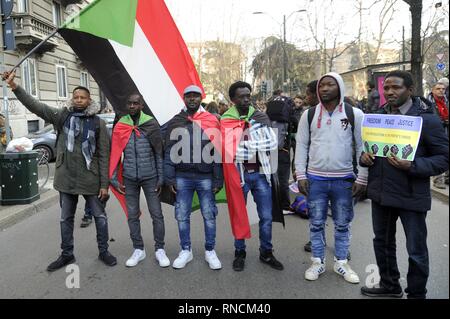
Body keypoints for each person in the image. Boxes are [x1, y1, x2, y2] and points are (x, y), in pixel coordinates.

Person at [2, 71, 117, 271]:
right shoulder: (62, 116)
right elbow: (37, 106)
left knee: (100, 217)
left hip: (91, 180)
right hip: (66, 179)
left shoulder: (97, 123)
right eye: (76, 97)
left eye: (83, 97)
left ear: (89, 100)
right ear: (72, 99)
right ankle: (67, 254)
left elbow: (104, 155)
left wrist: (104, 185)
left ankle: (104, 251)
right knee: (65, 219)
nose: (79, 100)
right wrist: (15, 87)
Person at [360, 71, 449, 299]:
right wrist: (364, 159)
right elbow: (369, 151)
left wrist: (412, 165)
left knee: (416, 251)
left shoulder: (426, 119)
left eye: (396, 87)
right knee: (382, 243)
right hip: (381, 194)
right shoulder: (378, 116)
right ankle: (390, 287)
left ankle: (416, 294)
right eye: (386, 88)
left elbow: (444, 157)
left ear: (410, 90)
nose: (389, 92)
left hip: (411, 195)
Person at [295, 72, 367, 284]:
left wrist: (362, 178)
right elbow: (301, 145)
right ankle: (317, 261)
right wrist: (301, 174)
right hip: (315, 179)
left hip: (343, 179)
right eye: (321, 85)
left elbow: (362, 148)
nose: (324, 89)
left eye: (330, 85)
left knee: (342, 223)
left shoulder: (355, 114)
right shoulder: (308, 115)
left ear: (340, 88)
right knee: (316, 223)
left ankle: (341, 262)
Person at [221, 81, 284, 272]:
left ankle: (266, 252)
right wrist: (254, 142)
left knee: (265, 216)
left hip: (260, 175)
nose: (246, 99)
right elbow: (230, 151)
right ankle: (240, 252)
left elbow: (272, 143)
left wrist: (245, 144)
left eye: (248, 95)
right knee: (240, 215)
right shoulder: (226, 120)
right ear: (233, 99)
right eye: (241, 96)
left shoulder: (259, 116)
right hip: (239, 177)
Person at [164, 85, 223, 270]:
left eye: (195, 96)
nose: (192, 99)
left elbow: (217, 151)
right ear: (184, 98)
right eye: (188, 96)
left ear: (200, 98)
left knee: (209, 214)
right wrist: (170, 178)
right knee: (182, 215)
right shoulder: (176, 121)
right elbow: (168, 151)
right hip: (182, 176)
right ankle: (186, 250)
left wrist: (218, 178)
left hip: (205, 176)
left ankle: (210, 251)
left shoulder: (211, 120)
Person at [109, 93, 169, 268]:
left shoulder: (150, 124)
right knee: (132, 215)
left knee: (156, 214)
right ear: (127, 105)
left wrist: (161, 177)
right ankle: (138, 249)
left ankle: (160, 249)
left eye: (136, 103)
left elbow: (159, 152)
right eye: (130, 103)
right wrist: (113, 179)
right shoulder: (121, 124)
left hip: (150, 177)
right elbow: (115, 153)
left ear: (141, 105)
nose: (133, 106)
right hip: (129, 179)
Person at [266, 90, 295, 213]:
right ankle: (284, 205)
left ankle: (272, 204)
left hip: (269, 150)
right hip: (283, 150)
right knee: (283, 179)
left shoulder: (268, 114)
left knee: (271, 178)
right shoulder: (285, 116)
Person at [427, 82, 449, 189]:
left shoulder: (446, 101)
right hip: (435, 132)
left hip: (446, 130)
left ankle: (447, 178)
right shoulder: (428, 103)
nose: (441, 90)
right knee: (438, 154)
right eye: (438, 88)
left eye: (443, 89)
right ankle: (438, 180)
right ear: (433, 90)